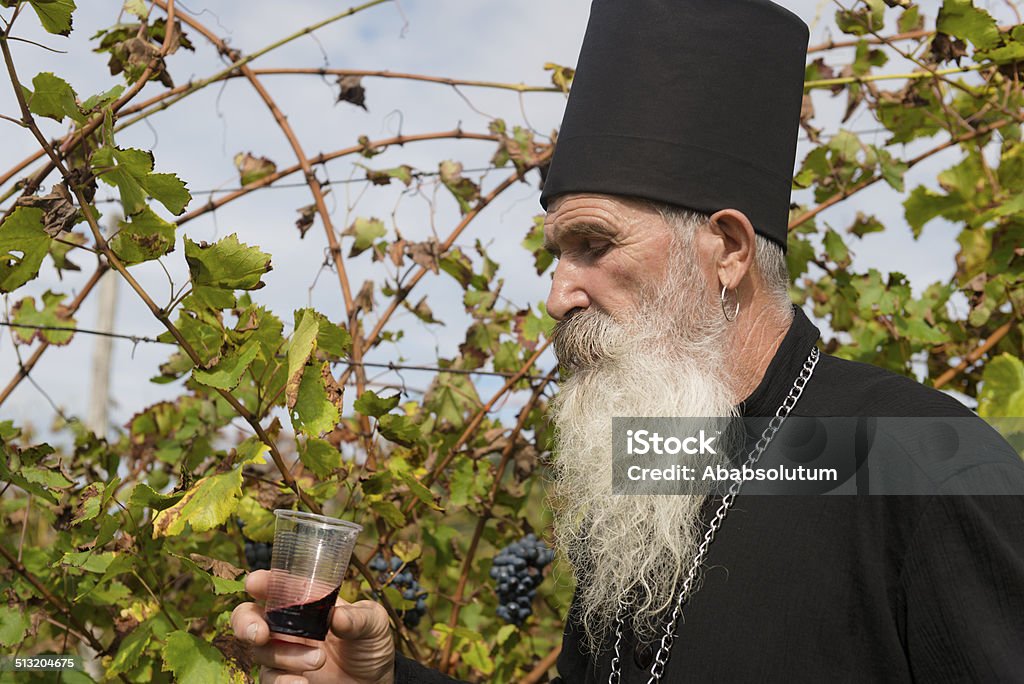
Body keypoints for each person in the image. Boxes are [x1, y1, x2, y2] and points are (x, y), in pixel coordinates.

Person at [232, 1, 1024, 681]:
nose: (556, 294)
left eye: (594, 245)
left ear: (728, 250)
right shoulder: (655, 466)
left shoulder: (919, 459)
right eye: (556, 254)